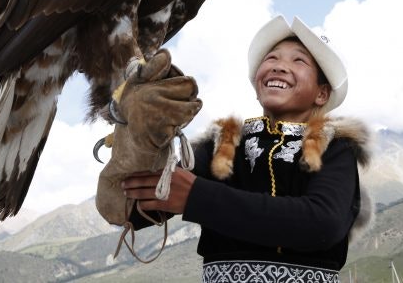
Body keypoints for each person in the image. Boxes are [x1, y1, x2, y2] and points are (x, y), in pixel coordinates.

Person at [122, 15, 371, 282]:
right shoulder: (220, 146)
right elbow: (134, 208)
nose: (280, 67)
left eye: (299, 60)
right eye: (271, 58)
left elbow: (322, 223)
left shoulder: (336, 148)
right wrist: (139, 132)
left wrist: (198, 196)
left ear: (321, 93)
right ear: (256, 84)